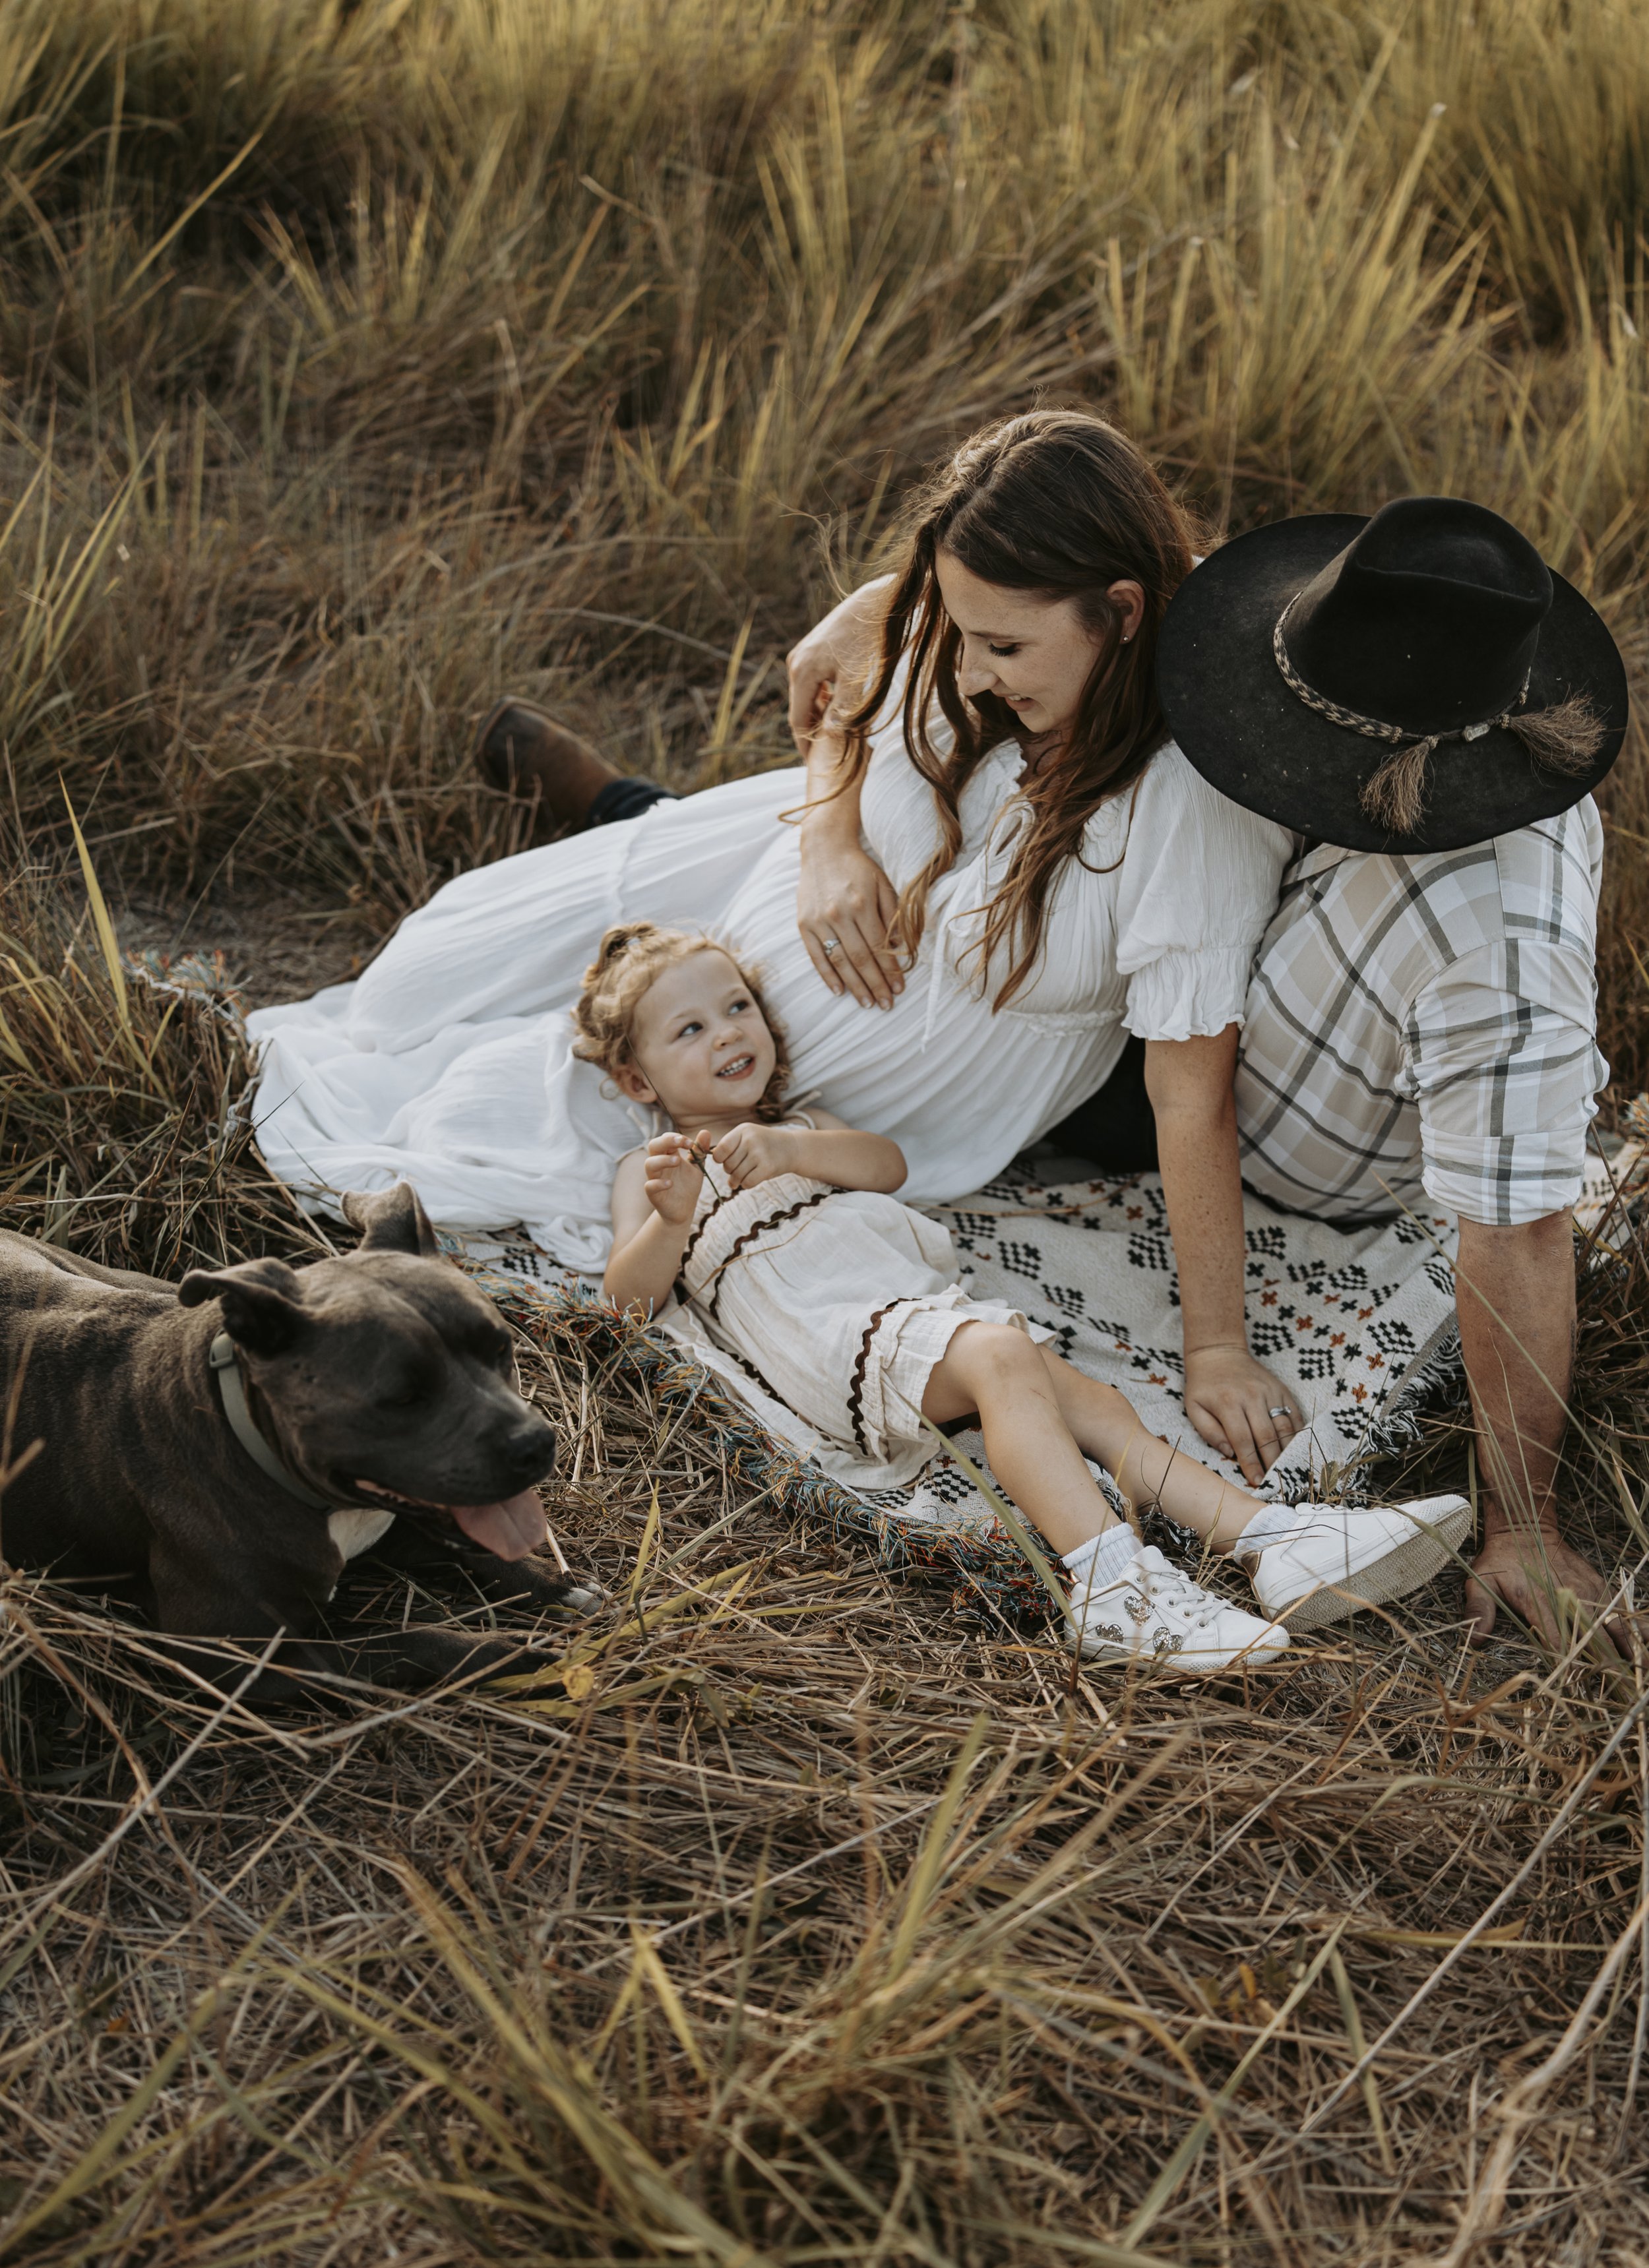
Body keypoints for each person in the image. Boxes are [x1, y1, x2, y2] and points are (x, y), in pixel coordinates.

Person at [251, 412, 1306, 1482]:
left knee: (429, 1114)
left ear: (1124, 614)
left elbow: (1188, 1091)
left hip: (806, 1097)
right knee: (412, 982)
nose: (976, 673)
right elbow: (849, 712)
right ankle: (616, 809)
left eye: (1003, 648)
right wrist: (835, 837)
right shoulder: (996, 606)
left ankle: (600, 794)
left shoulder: (1188, 804)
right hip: (746, 890)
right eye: (963, 633)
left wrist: (1218, 1347)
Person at [790, 494, 1633, 1651]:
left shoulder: (1501, 952)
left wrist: (1523, 1522)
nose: (1254, 734)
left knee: (988, 975)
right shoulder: (1378, 655)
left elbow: (1524, 1229)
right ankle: (628, 814)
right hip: (1177, 987)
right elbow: (1092, 566)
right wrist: (875, 614)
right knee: (935, 854)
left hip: (1244, 1121)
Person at [578, 919, 1472, 1672]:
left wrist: (789, 1149)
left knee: (1091, 1401)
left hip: (920, 1312)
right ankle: (1111, 1583)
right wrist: (670, 1221)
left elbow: (884, 1166)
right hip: (836, 1340)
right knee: (1008, 1358)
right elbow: (627, 1301)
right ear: (637, 1081)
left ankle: (1271, 1539)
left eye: (736, 1007)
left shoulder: (800, 1126)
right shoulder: (655, 1172)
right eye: (688, 1030)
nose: (727, 1032)